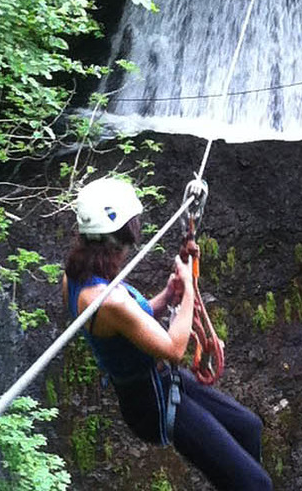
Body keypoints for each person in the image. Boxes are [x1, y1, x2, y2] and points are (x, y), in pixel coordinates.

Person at [63, 178, 271, 491]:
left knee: (248, 428)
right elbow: (174, 348)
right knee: (256, 484)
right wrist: (187, 288)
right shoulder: (106, 300)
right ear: (118, 238)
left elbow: (130, 324)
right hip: (153, 403)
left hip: (164, 382)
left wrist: (168, 295)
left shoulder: (78, 277)